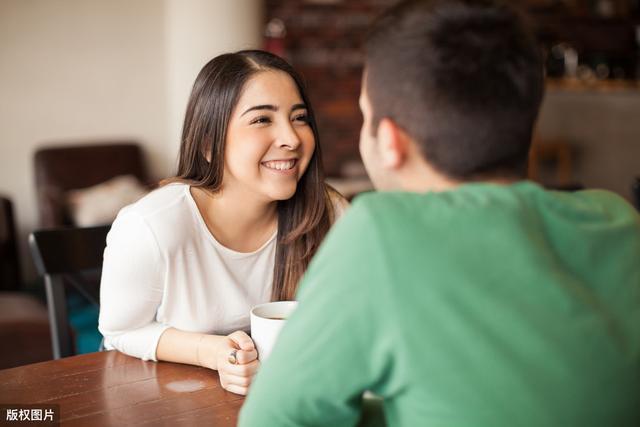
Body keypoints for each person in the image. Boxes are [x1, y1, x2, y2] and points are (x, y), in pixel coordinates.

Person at [239, 1, 640, 426]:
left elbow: (274, 420)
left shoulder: (381, 235)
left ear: (390, 141)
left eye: (364, 116)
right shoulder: (617, 221)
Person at [98, 50, 346, 396]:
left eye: (300, 117)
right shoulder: (150, 226)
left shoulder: (328, 212)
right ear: (208, 143)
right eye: (262, 120)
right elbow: (120, 331)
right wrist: (211, 351)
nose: (291, 138)